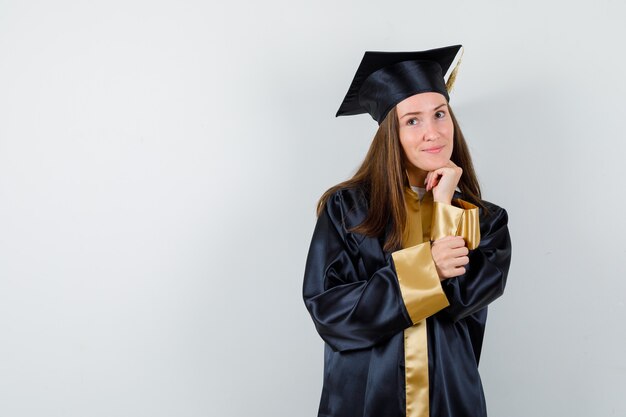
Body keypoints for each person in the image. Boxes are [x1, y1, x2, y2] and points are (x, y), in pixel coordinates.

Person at [302, 45, 512, 417]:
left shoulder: (484, 220)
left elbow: (462, 301)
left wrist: (446, 208)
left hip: (450, 401)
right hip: (364, 401)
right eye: (412, 120)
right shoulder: (348, 210)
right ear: (391, 134)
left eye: (440, 114)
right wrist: (425, 268)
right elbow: (330, 314)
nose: (432, 132)